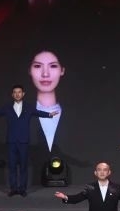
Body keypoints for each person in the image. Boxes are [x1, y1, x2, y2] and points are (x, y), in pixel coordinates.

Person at [0, 85, 53, 196]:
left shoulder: (29, 107)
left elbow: (39, 113)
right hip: (11, 141)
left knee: (23, 166)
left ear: (23, 94)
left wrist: (49, 115)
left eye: (19, 92)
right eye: (15, 92)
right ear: (12, 94)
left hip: (23, 141)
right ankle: (13, 189)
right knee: (12, 166)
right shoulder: (7, 107)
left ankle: (22, 189)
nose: (17, 94)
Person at [25, 46, 90, 182]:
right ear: (29, 70)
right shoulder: (22, 112)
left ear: (62, 70)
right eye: (37, 66)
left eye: (53, 66)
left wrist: (82, 164)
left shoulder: (77, 113)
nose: (45, 74)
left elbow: (68, 155)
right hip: (35, 184)